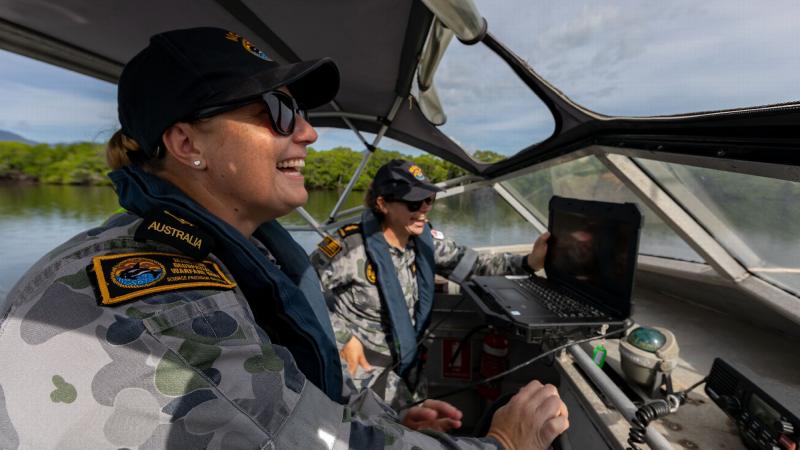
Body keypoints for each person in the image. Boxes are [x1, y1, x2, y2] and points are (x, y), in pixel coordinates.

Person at [0, 27, 567, 449]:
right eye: (277, 110)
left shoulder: (242, 250)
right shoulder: (160, 305)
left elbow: (288, 391)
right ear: (186, 144)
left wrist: (382, 418)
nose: (310, 132)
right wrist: (507, 445)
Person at [311, 159, 551, 409]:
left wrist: (529, 261)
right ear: (383, 204)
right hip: (363, 373)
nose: (425, 209)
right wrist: (343, 337)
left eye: (429, 200)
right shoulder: (348, 246)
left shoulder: (425, 242)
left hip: (410, 369)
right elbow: (302, 289)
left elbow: (474, 266)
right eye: (414, 202)